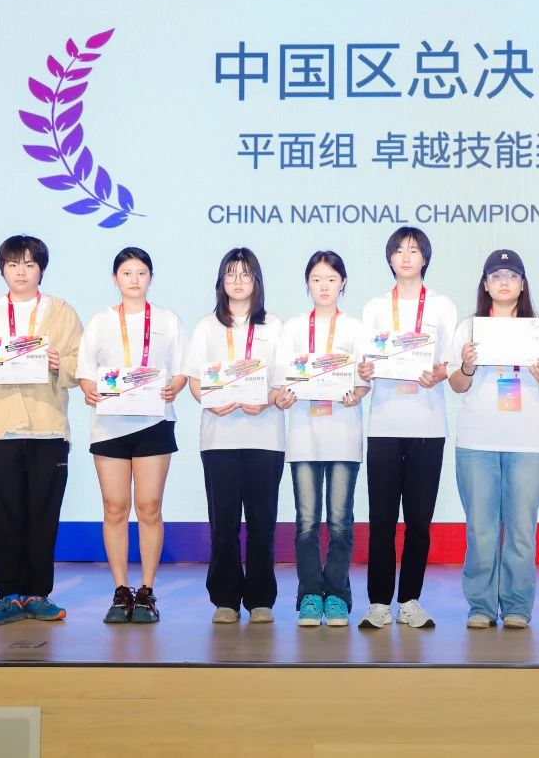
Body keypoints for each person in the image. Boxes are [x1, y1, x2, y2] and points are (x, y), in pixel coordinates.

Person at [0, 235, 83, 626]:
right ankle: (8, 595)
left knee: (44, 513)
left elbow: (80, 363)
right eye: (13, 264)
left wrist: (60, 364)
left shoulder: (61, 311)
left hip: (48, 427)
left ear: (41, 269)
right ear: (3, 269)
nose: (21, 272)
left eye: (30, 264)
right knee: (2, 513)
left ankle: (38, 593)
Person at [448, 249, 539, 629]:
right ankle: (480, 606)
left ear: (523, 285)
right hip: (476, 441)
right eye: (496, 276)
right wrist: (467, 365)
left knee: (521, 530)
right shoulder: (469, 328)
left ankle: (517, 606)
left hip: (527, 442)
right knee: (480, 530)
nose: (503, 282)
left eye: (511, 276)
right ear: (485, 284)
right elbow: (457, 384)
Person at [76, 247, 188, 624]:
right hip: (109, 426)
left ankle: (147, 591)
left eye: (141, 273)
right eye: (127, 273)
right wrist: (89, 390)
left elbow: (181, 370)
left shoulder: (168, 319)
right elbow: (85, 372)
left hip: (154, 423)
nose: (134, 279)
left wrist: (174, 386)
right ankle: (121, 589)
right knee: (114, 507)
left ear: (150, 277)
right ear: (115, 279)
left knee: (149, 506)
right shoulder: (100, 321)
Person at [356, 227, 458, 630]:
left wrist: (439, 373)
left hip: (427, 425)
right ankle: (379, 603)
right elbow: (365, 361)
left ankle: (410, 601)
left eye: (413, 250)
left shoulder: (442, 306)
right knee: (381, 519)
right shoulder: (375, 307)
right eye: (399, 250)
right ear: (389, 258)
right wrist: (365, 370)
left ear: (425, 258)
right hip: (383, 423)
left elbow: (451, 362)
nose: (406, 256)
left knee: (418, 520)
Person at [183, 247, 284, 624]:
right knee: (223, 524)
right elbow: (195, 379)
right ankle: (225, 599)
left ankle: (260, 599)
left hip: (265, 439)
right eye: (231, 274)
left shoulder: (274, 325)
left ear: (257, 281)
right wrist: (209, 401)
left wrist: (268, 400)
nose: (238, 281)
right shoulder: (206, 326)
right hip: (219, 439)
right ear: (221, 281)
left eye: (245, 274)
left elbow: (283, 381)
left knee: (262, 523)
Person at [272, 251, 370, 627]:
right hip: (303, 435)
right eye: (316, 279)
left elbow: (363, 380)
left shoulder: (356, 328)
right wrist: (283, 397)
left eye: (331, 279)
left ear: (342, 283)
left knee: (341, 522)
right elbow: (281, 382)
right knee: (307, 522)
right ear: (307, 284)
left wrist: (357, 393)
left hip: (344, 435)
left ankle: (338, 595)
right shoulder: (293, 328)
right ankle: (311, 594)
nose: (324, 286)